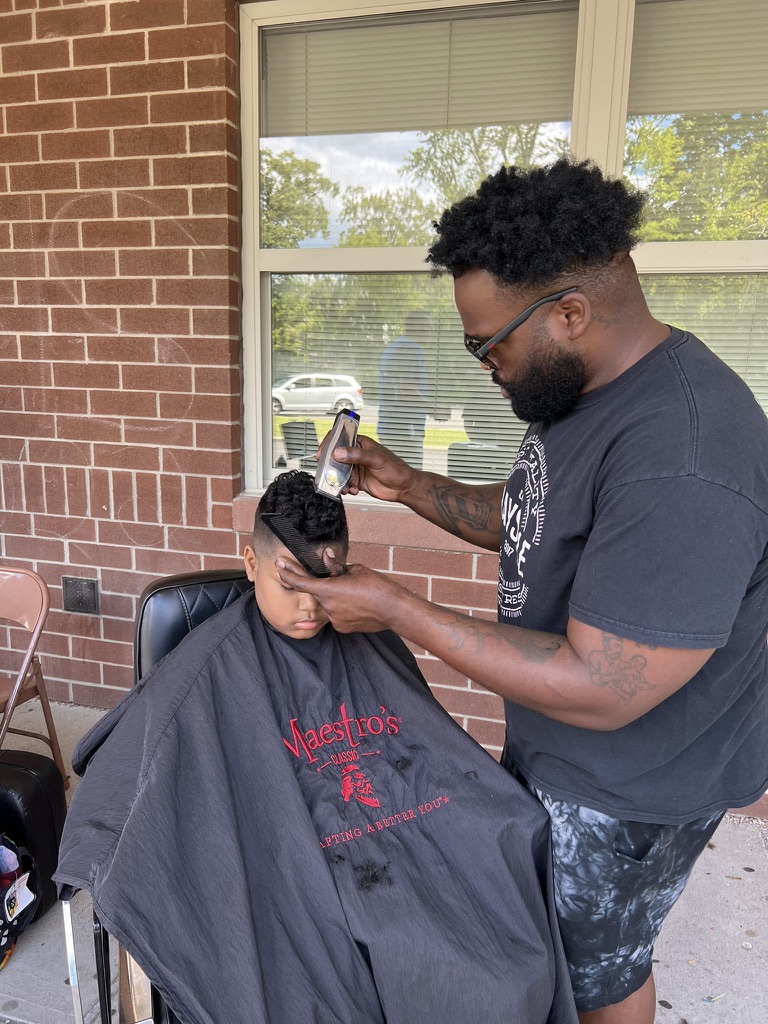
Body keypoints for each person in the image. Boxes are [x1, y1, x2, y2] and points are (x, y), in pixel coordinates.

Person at [275, 159, 768, 1024]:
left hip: (634, 787)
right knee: (551, 944)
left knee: (598, 970)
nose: (484, 366)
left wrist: (392, 606)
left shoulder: (687, 452)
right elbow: (536, 517)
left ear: (570, 312)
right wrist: (411, 485)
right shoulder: (580, 391)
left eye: (486, 344)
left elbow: (602, 684)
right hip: (567, 754)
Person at [55, 471, 578, 1024]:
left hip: (393, 831)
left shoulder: (369, 638)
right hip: (293, 858)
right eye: (291, 584)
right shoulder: (205, 667)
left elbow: (427, 744)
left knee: (507, 867)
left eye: (326, 583)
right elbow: (129, 778)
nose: (311, 606)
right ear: (253, 565)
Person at [376, 310, 433, 469]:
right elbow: (405, 388)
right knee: (409, 484)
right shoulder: (411, 348)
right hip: (404, 431)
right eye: (428, 326)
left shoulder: (395, 347)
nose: (431, 331)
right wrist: (434, 409)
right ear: (416, 327)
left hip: (392, 428)